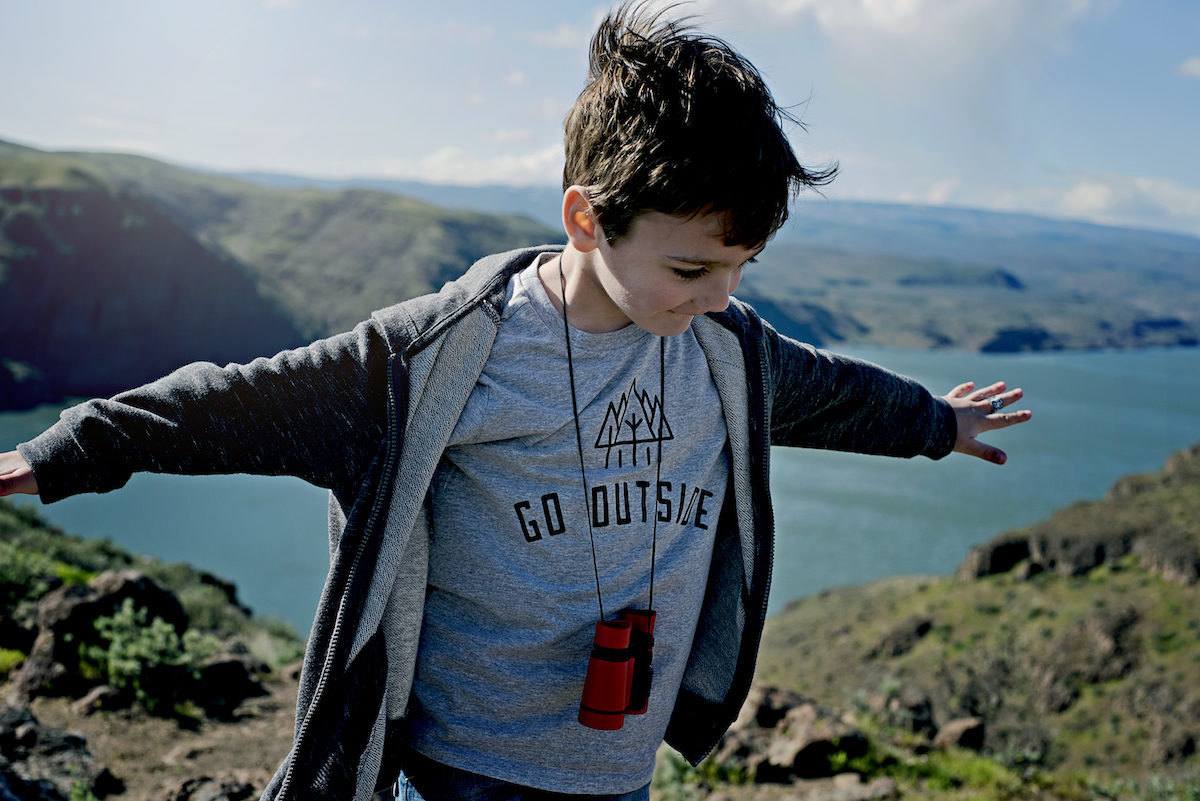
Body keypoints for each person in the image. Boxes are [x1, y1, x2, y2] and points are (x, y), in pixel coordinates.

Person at [0, 3, 1031, 800]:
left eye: (742, 268)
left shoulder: (725, 348)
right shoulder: (443, 355)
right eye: (691, 268)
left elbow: (833, 396)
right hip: (455, 769)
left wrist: (937, 424)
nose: (723, 299)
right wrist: (69, 450)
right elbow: (238, 403)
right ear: (586, 218)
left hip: (616, 765)